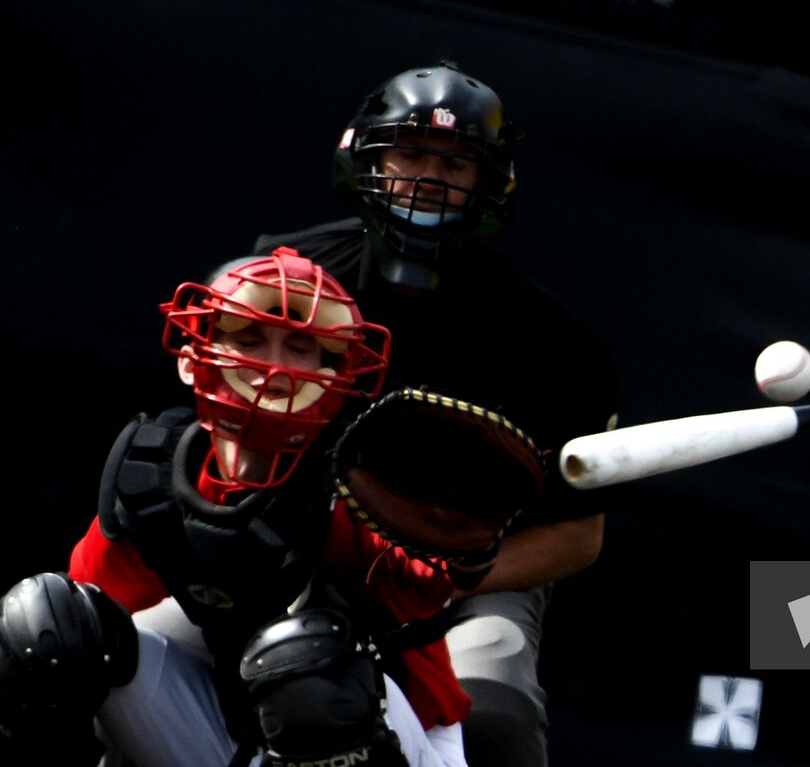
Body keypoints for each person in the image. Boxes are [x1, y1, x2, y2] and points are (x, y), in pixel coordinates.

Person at [253, 62, 621, 767]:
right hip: (289, 546)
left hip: (464, 577)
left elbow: (576, 537)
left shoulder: (556, 347)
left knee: (497, 727)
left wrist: (439, 578)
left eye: (455, 164)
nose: (427, 180)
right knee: (120, 650)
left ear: (491, 186)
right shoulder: (282, 280)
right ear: (366, 158)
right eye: (411, 154)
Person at [0, 247, 482, 766]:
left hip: (392, 735)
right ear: (192, 359)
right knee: (46, 626)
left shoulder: (363, 478)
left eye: (300, 346)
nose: (272, 366)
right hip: (234, 721)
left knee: (306, 669)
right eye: (249, 338)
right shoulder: (156, 475)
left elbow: (427, 581)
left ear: (335, 372)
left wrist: (468, 541)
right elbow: (87, 610)